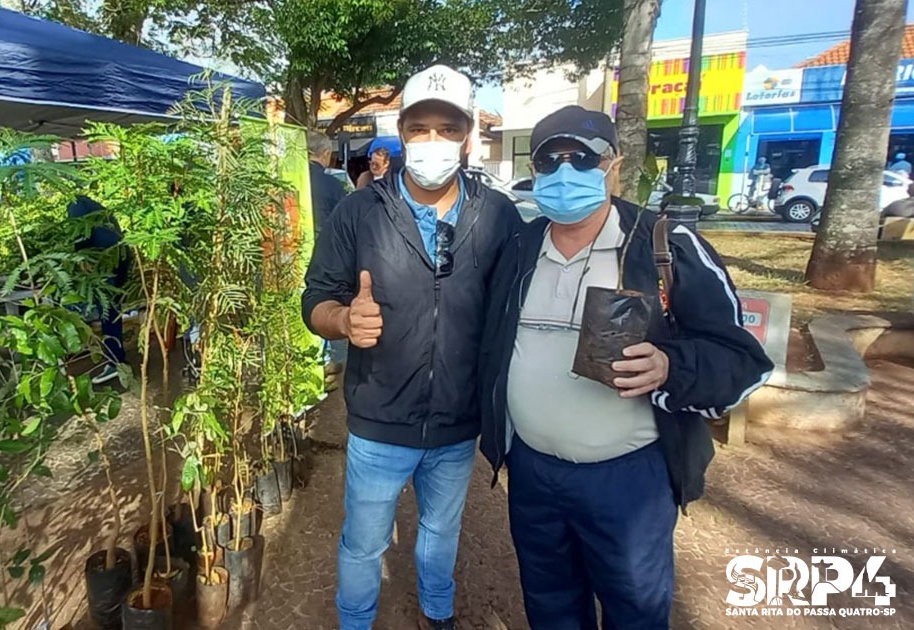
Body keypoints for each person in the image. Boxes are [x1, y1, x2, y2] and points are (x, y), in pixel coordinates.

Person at [478, 106, 774, 629]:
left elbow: (742, 361)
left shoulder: (666, 246)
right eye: (549, 161)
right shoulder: (519, 247)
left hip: (628, 479)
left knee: (634, 611)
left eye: (582, 159)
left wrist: (669, 365)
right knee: (549, 605)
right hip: (533, 473)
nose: (565, 173)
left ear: (613, 166)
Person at [303, 64, 520, 630]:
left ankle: (438, 611)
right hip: (379, 421)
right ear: (401, 132)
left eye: (448, 128)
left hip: (457, 423)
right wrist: (343, 320)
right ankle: (356, 620)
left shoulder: (498, 216)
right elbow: (316, 299)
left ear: (468, 136)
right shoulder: (359, 211)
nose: (433, 140)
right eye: (419, 128)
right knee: (364, 542)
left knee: (441, 530)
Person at [68, 195, 129, 385]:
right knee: (112, 310)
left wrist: (81, 257)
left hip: (105, 259)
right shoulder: (95, 205)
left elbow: (81, 233)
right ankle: (116, 358)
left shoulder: (75, 203)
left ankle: (115, 361)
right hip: (120, 256)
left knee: (108, 311)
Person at [307, 131, 351, 379]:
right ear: (325, 154)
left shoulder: (288, 179)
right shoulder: (333, 185)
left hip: (287, 252)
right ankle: (323, 360)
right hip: (323, 254)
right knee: (322, 299)